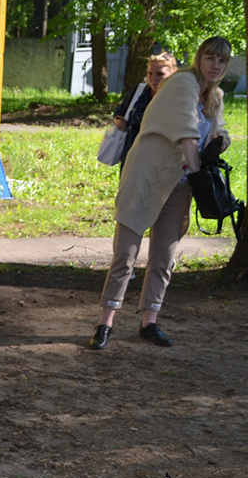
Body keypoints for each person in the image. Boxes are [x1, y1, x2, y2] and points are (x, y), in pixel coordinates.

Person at [89, 36, 231, 350]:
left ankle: (149, 323)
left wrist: (222, 141)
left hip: (180, 186)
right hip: (147, 178)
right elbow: (187, 134)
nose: (215, 65)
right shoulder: (182, 83)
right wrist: (199, 174)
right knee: (125, 254)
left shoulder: (215, 96)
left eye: (222, 61)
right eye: (210, 58)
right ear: (199, 58)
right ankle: (105, 323)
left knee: (164, 258)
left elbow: (218, 132)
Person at [113, 52, 178, 169]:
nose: (153, 79)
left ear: (172, 74)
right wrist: (118, 119)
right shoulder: (138, 92)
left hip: (160, 162)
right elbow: (120, 111)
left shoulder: (177, 98)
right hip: (131, 156)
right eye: (150, 73)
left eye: (160, 74)